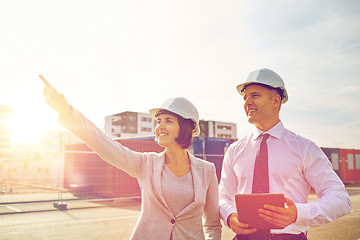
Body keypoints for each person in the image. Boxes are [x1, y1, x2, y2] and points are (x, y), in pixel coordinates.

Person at [39, 75, 221, 240]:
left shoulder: (207, 170)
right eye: (159, 121)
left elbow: (212, 225)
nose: (160, 126)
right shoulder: (145, 163)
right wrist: (67, 111)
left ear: (186, 128)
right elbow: (104, 144)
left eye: (168, 121)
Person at [219, 68, 352, 240]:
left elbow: (341, 199)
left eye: (255, 95)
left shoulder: (305, 148)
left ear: (276, 100)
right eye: (245, 97)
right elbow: (223, 195)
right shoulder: (235, 150)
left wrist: (298, 213)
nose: (247, 102)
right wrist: (230, 216)